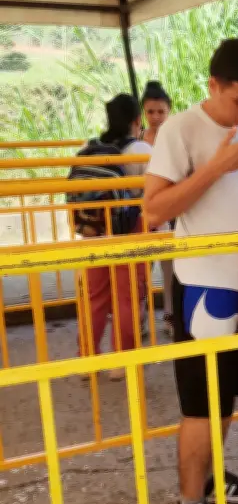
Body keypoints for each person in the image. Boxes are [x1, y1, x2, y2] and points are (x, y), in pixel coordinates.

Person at [144, 38, 238, 504]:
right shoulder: (180, 130)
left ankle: (211, 476)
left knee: (226, 393)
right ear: (213, 85)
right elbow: (153, 211)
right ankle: (190, 500)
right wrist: (216, 167)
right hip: (205, 283)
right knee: (200, 403)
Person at [81, 94, 148, 380]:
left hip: (94, 232)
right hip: (127, 233)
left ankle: (87, 358)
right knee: (127, 297)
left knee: (94, 297)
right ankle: (123, 360)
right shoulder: (141, 149)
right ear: (136, 121)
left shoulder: (87, 149)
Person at [140, 80, 176, 332]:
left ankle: (170, 317)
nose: (156, 117)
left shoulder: (175, 138)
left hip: (170, 211)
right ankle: (139, 319)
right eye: (151, 111)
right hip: (143, 213)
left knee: (170, 269)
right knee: (141, 269)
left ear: (169, 111)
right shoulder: (138, 139)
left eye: (161, 111)